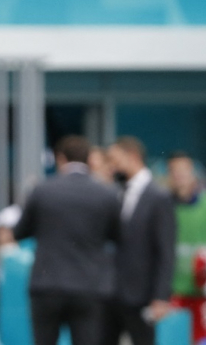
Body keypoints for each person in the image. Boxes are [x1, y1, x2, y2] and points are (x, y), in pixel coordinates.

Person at [13, 135, 121, 345]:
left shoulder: (42, 190)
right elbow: (117, 235)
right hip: (89, 287)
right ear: (89, 159)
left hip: (47, 285)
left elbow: (19, 232)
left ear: (60, 158)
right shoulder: (106, 194)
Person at [103, 136, 176, 345]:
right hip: (110, 293)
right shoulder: (116, 192)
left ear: (132, 156)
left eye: (115, 159)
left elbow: (165, 249)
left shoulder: (159, 196)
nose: (112, 165)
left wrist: (161, 296)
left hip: (142, 295)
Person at [166, 151, 206, 343]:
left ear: (193, 172)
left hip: (202, 293)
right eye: (174, 171)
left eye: (184, 170)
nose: (179, 175)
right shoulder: (163, 206)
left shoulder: (205, 205)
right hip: (173, 292)